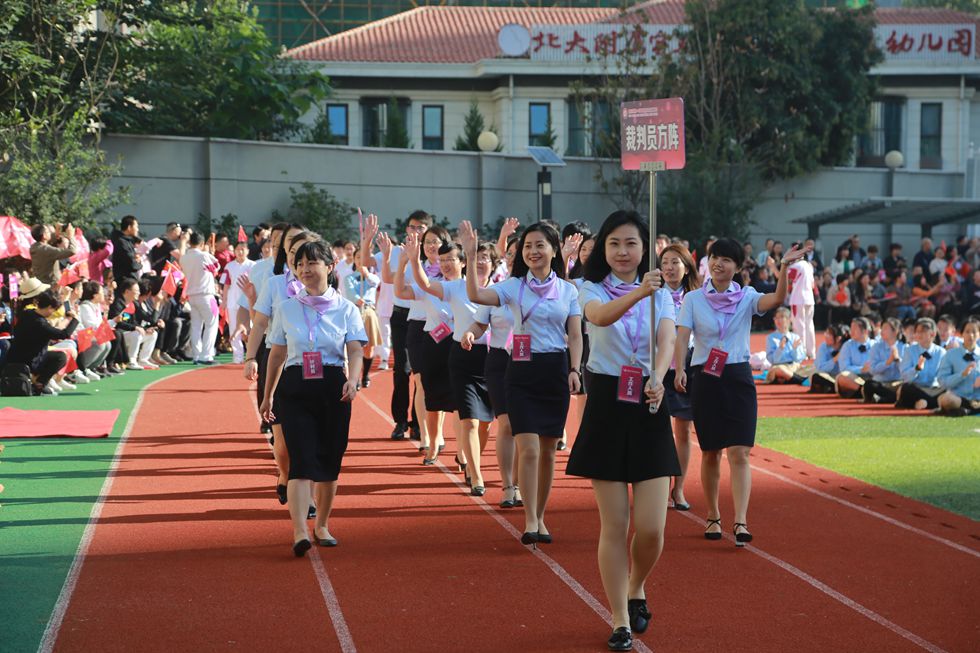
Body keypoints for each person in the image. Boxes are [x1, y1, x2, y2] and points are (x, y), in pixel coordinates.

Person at [564, 210, 678, 652]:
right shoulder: (588, 288)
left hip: (649, 403)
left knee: (651, 529)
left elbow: (667, 339)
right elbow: (600, 317)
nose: (623, 252)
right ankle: (619, 618)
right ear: (603, 249)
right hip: (607, 405)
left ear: (644, 248)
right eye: (614, 243)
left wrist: (659, 377)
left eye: (631, 243)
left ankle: (637, 585)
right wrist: (639, 294)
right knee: (615, 524)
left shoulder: (661, 293)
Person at [673, 237, 808, 546]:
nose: (718, 264)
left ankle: (741, 520)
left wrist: (783, 267)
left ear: (737, 267)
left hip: (738, 376)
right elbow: (682, 337)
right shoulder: (693, 299)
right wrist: (679, 368)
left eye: (726, 259)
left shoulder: (747, 297)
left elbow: (777, 299)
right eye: (714, 258)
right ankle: (713, 515)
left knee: (740, 451)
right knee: (711, 452)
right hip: (706, 376)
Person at [462, 220, 583, 546]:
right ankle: (530, 519)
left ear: (554, 250)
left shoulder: (568, 291)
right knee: (528, 448)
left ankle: (540, 516)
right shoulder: (513, 286)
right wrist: (470, 256)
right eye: (528, 246)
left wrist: (575, 369)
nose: (532, 251)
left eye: (540, 245)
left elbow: (574, 335)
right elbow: (476, 294)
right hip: (521, 372)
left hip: (554, 370)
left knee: (548, 452)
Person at [259, 239, 365, 557]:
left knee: (330, 460)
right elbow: (277, 355)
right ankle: (299, 532)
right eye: (300, 264)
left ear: (330, 266)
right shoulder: (287, 308)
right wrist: (267, 396)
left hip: (333, 387)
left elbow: (355, 349)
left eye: (312, 263)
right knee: (301, 461)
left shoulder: (347, 309)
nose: (304, 269)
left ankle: (322, 525)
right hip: (295, 388)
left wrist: (353, 380)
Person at [416, 240, 497, 494]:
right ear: (467, 261)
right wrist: (413, 258)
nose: (479, 262)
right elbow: (425, 285)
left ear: (494, 263)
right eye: (475, 257)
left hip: (493, 359)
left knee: (485, 424)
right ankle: (476, 474)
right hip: (463, 356)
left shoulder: (503, 289)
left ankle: (472, 461)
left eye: (484, 258)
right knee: (469, 419)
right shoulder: (456, 287)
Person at [247, 227, 316, 504]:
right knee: (282, 437)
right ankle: (285, 474)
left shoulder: (325, 286)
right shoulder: (275, 284)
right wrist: (250, 358)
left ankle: (308, 495)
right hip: (277, 359)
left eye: (308, 255)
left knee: (310, 433)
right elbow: (260, 323)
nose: (301, 260)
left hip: (312, 363)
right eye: (294, 252)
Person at [360, 212, 429, 442]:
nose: (415, 231)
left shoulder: (432, 254)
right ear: (407, 229)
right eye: (412, 227)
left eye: (420, 228)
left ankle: (418, 423)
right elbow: (366, 262)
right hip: (401, 316)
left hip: (425, 317)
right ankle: (400, 421)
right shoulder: (397, 251)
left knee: (421, 371)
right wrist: (368, 239)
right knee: (402, 369)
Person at [466, 234, 522, 508]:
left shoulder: (546, 291)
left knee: (526, 428)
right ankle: (508, 486)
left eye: (517, 253)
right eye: (509, 253)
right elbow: (480, 324)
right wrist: (470, 333)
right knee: (507, 424)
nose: (513, 258)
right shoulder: (497, 291)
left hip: (531, 361)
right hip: (500, 361)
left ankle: (522, 483)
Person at [394, 228, 457, 464]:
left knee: (444, 383)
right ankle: (427, 437)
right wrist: (405, 262)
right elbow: (398, 287)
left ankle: (438, 434)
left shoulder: (452, 272)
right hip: (421, 329)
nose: (431, 246)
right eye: (427, 242)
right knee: (422, 383)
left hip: (450, 331)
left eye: (436, 242)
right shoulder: (417, 266)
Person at [659, 243, 700, 511]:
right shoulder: (653, 295)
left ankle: (679, 488)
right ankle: (660, 488)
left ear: (686, 267)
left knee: (683, 430)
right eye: (665, 263)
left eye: (675, 262)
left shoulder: (696, 297)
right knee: (660, 431)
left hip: (688, 367)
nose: (669, 268)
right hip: (660, 368)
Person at [242, 222, 292, 434]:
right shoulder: (261, 271)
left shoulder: (303, 272)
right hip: (269, 337)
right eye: (276, 241)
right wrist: (250, 357)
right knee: (266, 381)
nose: (280, 246)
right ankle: (269, 421)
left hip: (299, 344)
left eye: (285, 241)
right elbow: (258, 317)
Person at [3, 281, 79, 395]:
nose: (53, 313)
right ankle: (40, 384)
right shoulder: (40, 323)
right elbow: (64, 335)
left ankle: (39, 382)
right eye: (54, 310)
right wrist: (75, 320)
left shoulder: (27, 313)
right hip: (30, 360)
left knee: (57, 355)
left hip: (18, 357)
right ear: (49, 307)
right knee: (60, 357)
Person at [342, 251, 382, 388]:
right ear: (354, 259)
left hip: (369, 312)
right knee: (355, 346)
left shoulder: (373, 277)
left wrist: (366, 274)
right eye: (358, 257)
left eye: (363, 257)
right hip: (355, 313)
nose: (360, 260)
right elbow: (350, 293)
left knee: (369, 348)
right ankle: (356, 377)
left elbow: (375, 283)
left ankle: (365, 375)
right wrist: (358, 300)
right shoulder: (349, 278)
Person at [181, 232, 220, 365]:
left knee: (196, 326)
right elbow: (216, 267)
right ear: (202, 244)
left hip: (192, 296)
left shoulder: (184, 258)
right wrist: (210, 253)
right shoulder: (204, 255)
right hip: (206, 295)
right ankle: (206, 355)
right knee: (211, 324)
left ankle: (196, 355)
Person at [896, 318, 946, 410]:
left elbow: (944, 376)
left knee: (950, 390)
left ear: (933, 334)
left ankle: (923, 403)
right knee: (906, 388)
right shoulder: (909, 350)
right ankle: (933, 404)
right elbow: (904, 376)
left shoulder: (941, 352)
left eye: (923, 331)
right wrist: (917, 368)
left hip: (934, 389)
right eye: (917, 331)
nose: (919, 334)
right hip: (917, 389)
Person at [220, 241, 255, 363]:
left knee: (250, 328)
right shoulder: (229, 266)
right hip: (232, 301)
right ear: (234, 251)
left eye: (242, 249)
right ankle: (238, 356)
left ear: (247, 251)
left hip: (248, 302)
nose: (240, 252)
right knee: (234, 328)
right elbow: (226, 285)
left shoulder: (253, 265)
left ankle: (251, 355)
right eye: (238, 249)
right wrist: (224, 301)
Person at [936, 317, 980, 416]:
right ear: (961, 334)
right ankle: (965, 409)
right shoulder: (951, 354)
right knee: (946, 399)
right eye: (967, 332)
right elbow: (942, 381)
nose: (971, 335)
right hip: (959, 399)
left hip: (978, 399)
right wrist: (962, 375)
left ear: (979, 334)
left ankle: (964, 411)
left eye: (974, 332)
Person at [860, 317, 906, 404]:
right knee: (869, 385)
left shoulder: (905, 347)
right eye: (882, 328)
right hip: (881, 383)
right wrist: (887, 362)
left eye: (885, 328)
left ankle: (883, 399)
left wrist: (897, 359)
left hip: (897, 384)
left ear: (895, 331)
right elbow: (872, 370)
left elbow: (906, 372)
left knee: (907, 388)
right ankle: (891, 398)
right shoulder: (876, 347)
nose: (882, 331)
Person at [834, 317, 877, 398]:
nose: (851, 331)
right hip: (855, 378)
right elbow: (844, 368)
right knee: (843, 376)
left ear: (865, 331)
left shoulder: (875, 345)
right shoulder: (847, 345)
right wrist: (861, 369)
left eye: (855, 329)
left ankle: (869, 391)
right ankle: (866, 391)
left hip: (873, 377)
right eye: (851, 328)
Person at [787, 244, 816, 359]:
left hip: (798, 299)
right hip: (809, 298)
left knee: (799, 326)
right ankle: (811, 352)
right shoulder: (809, 266)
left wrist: (773, 266)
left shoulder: (795, 266)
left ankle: (801, 353)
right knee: (809, 325)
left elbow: (782, 278)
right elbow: (813, 285)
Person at [764, 307, 806, 384]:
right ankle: (798, 380)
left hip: (793, 366)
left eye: (781, 317)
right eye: (776, 318)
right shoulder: (771, 338)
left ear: (789, 320)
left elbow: (798, 360)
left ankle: (788, 378)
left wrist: (794, 349)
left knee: (812, 368)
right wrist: (780, 349)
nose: (778, 320)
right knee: (778, 369)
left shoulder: (795, 337)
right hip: (779, 367)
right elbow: (773, 360)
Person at [807, 324, 849, 393]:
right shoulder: (823, 347)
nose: (825, 335)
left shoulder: (847, 347)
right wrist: (835, 359)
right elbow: (821, 368)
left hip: (841, 377)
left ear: (838, 338)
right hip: (827, 376)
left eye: (829, 334)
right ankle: (837, 387)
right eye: (826, 333)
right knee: (816, 376)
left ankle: (835, 387)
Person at [110, 215, 141, 283]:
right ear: (129, 227)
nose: (137, 229)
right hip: (125, 282)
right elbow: (132, 264)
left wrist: (136, 259)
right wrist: (138, 262)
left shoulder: (127, 241)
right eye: (136, 226)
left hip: (129, 280)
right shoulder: (122, 242)